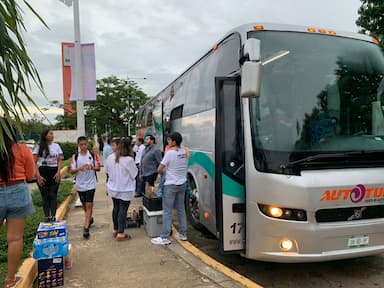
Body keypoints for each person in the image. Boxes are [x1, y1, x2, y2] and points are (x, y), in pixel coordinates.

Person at [0, 122, 36, 288]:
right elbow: (30, 175)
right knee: (15, 239)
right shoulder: (22, 149)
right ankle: (10, 279)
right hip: (18, 192)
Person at [151, 132, 189, 245]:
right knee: (181, 209)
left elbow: (159, 169)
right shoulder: (185, 152)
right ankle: (183, 234)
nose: (168, 142)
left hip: (171, 185)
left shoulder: (170, 153)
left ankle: (164, 237)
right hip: (182, 184)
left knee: (167, 211)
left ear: (174, 141)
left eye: (169, 140)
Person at [105, 138, 137, 241]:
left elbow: (107, 171)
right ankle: (121, 233)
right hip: (125, 188)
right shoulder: (129, 160)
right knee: (123, 209)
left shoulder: (110, 157)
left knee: (116, 208)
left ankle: (115, 229)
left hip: (113, 187)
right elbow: (134, 174)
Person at [70, 136, 101, 239]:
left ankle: (86, 227)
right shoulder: (75, 156)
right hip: (80, 185)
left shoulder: (92, 155)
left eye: (85, 144)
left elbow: (98, 168)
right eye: (81, 144)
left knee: (89, 206)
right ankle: (89, 218)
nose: (83, 146)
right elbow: (71, 170)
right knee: (84, 206)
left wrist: (92, 167)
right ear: (78, 145)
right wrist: (80, 168)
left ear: (87, 144)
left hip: (91, 184)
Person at [33, 129, 63, 222]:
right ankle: (47, 217)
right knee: (45, 196)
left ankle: (54, 217)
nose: (52, 135)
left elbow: (60, 160)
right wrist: (38, 176)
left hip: (54, 172)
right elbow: (34, 162)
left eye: (52, 133)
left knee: (53, 195)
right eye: (50, 133)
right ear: (45, 135)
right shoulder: (39, 147)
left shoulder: (56, 146)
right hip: (43, 172)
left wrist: (58, 172)